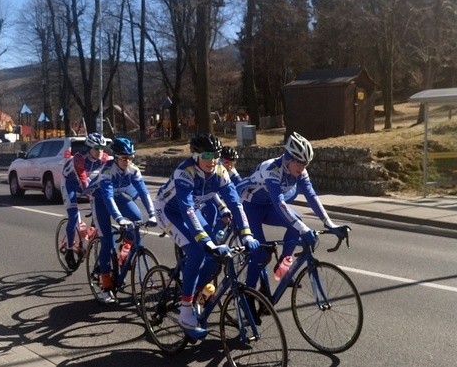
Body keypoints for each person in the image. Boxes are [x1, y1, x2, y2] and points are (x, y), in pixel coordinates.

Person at [154, 133, 259, 336]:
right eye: (207, 156)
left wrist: (247, 233)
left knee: (214, 257)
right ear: (196, 156)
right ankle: (185, 311)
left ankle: (197, 291)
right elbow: (186, 209)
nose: (212, 161)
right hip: (168, 211)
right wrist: (205, 241)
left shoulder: (220, 171)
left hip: (191, 210)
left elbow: (235, 203)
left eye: (216, 156)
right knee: (198, 251)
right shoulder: (184, 172)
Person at [236, 131, 350, 289]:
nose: (302, 167)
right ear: (288, 158)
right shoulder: (271, 169)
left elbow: (311, 196)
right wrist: (304, 230)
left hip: (268, 205)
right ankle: (247, 295)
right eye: (299, 163)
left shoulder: (300, 171)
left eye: (306, 164)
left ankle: (282, 269)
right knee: (260, 254)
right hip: (250, 207)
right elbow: (280, 204)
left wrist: (329, 223)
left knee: (295, 225)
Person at [86, 137, 157, 303]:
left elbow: (144, 193)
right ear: (116, 157)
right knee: (107, 241)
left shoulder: (133, 170)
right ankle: (106, 287)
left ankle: (126, 250)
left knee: (138, 219)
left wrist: (152, 214)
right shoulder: (107, 172)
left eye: (130, 157)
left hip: (118, 196)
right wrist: (119, 219)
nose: (128, 161)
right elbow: (108, 198)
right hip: (100, 199)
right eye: (124, 158)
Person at [61, 132, 109, 270]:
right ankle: (69, 250)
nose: (99, 151)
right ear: (89, 148)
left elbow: (106, 176)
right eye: (96, 148)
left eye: (102, 148)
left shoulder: (104, 158)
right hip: (69, 182)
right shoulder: (79, 159)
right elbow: (83, 181)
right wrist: (92, 195)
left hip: (83, 179)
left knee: (99, 201)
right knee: (73, 215)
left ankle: (88, 237)